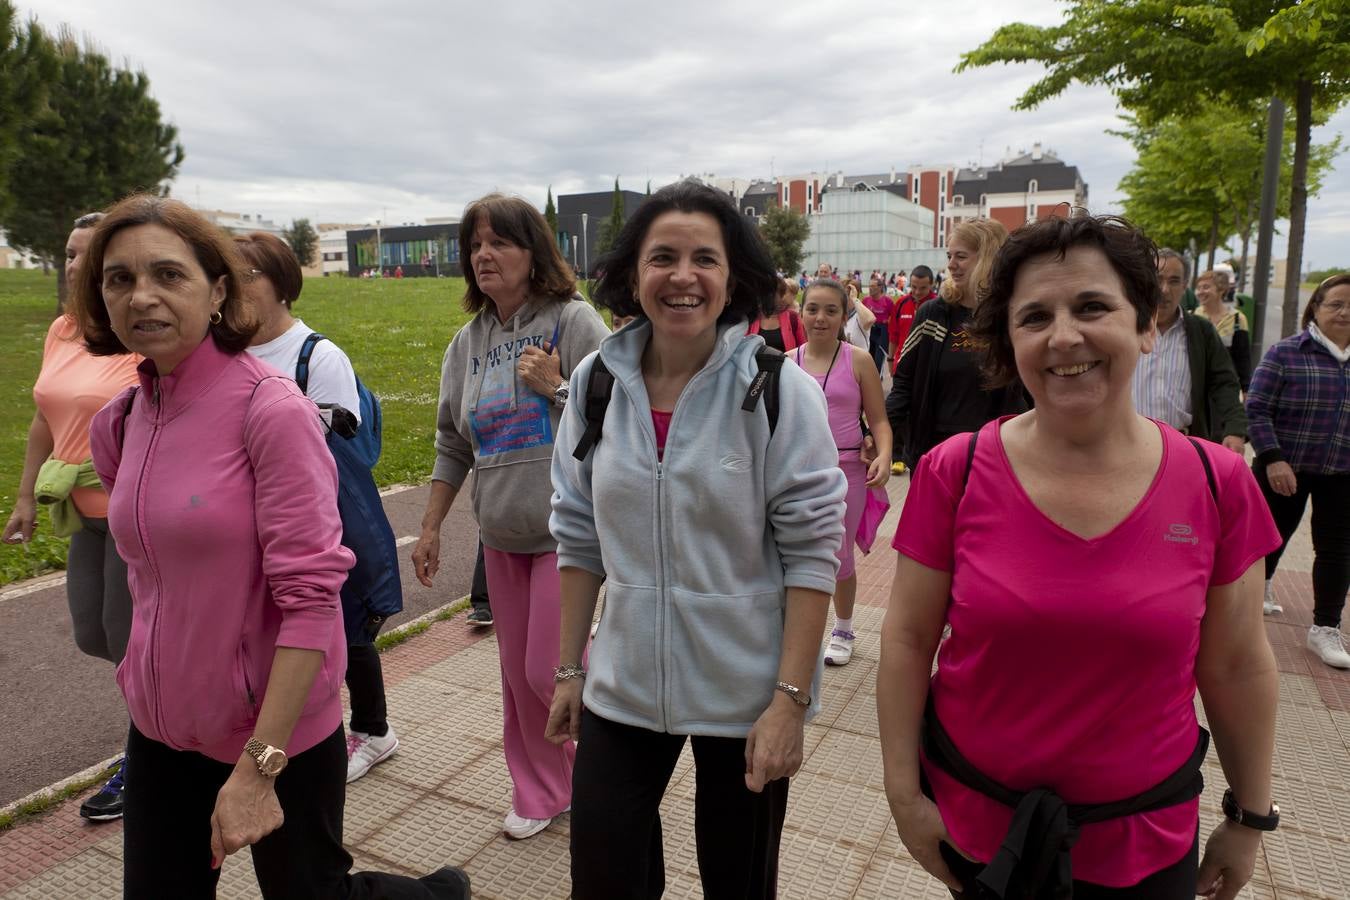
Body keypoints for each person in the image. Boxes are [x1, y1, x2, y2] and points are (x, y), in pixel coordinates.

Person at [878, 214, 1282, 900]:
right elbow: (910, 638)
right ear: (1010, 340)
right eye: (1034, 316)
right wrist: (902, 795)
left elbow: (1238, 664)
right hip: (980, 834)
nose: (1063, 336)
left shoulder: (1218, 483)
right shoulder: (958, 469)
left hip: (1145, 840)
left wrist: (1249, 816)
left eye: (1092, 306)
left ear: (1146, 325)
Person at [76, 195, 469, 898]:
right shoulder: (120, 422)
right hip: (163, 729)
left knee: (315, 894)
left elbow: (313, 603)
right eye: (119, 278)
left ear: (218, 290)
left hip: (276, 731)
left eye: (169, 275)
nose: (142, 296)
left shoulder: (272, 411)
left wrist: (260, 767)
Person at [546, 180, 846, 899]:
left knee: (738, 883)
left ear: (732, 277)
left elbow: (812, 555)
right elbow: (579, 534)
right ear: (633, 273)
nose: (683, 277)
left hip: (747, 694)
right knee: (604, 875)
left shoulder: (777, 391)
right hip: (623, 685)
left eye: (704, 259)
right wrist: (568, 669)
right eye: (663, 257)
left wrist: (790, 702)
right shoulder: (595, 384)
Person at [412, 193, 609, 840]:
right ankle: (543, 788)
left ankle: (595, 774)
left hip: (567, 535)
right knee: (516, 681)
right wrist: (434, 524)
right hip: (500, 537)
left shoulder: (574, 322)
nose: (484, 255)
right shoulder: (467, 343)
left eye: (500, 242)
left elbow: (622, 416)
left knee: (544, 671)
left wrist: (557, 386)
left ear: (534, 252)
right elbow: (452, 441)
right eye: (475, 245)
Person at [235, 231, 403, 784]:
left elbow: (340, 452)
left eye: (247, 274)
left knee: (344, 631)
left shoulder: (316, 354)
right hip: (247, 521)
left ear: (282, 285)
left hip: (316, 521)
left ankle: (373, 730)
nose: (232, 286)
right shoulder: (225, 350)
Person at [2, 211, 141, 823]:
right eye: (68, 253)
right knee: (95, 635)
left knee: (127, 641)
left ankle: (149, 760)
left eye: (89, 254)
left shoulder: (139, 332)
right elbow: (42, 417)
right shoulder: (62, 330)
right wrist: (26, 496)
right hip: (78, 512)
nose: (74, 264)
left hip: (132, 514)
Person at [1246, 274, 1350, 660]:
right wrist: (1273, 458)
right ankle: (1260, 590)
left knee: (1338, 550)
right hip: (1284, 465)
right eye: (1335, 304)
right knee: (1268, 538)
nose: (1344, 313)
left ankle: (1326, 627)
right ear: (1317, 308)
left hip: (1342, 472)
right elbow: (1256, 408)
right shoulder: (1287, 353)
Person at [794, 279, 892, 667]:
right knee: (795, 553)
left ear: (844, 315)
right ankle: (799, 629)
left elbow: (879, 420)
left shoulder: (859, 360)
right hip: (799, 475)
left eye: (830, 310)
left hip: (848, 471)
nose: (820, 318)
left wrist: (883, 453)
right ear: (800, 313)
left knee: (838, 556)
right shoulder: (786, 361)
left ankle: (844, 628)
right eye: (812, 309)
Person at [885, 218, 1026, 469]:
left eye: (961, 256)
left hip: (997, 457)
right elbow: (903, 384)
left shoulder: (1012, 316)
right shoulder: (934, 314)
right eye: (949, 256)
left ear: (988, 258)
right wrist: (882, 437)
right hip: (935, 453)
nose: (951, 265)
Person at [1134, 250, 1247, 451]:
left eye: (1174, 281)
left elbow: (1224, 382)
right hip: (1131, 445)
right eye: (1157, 279)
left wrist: (1235, 428)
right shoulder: (1127, 327)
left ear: (1185, 286)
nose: (1164, 289)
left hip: (1185, 447)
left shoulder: (1201, 331)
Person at [1193, 269, 1253, 391]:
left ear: (1221, 290)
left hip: (1225, 388)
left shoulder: (1237, 319)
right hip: (1196, 387)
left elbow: (1243, 358)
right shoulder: (1193, 316)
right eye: (1198, 288)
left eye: (1206, 287)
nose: (1200, 292)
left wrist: (1245, 389)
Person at [746, 277, 807, 351]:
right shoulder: (752, 316)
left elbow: (803, 349)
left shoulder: (793, 317)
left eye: (773, 292)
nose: (768, 296)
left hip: (786, 361)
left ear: (781, 295)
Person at [862, 276, 895, 371]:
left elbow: (893, 317)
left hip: (882, 332)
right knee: (868, 358)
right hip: (869, 330)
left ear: (880, 287)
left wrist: (888, 320)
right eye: (869, 286)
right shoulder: (865, 300)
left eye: (873, 286)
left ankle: (878, 379)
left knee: (878, 359)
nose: (870, 288)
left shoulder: (887, 302)